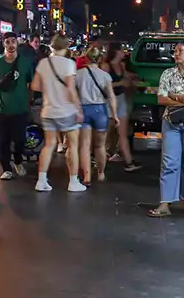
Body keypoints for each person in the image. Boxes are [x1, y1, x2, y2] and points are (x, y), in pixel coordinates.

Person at [148, 42, 184, 218]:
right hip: (171, 122)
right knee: (169, 162)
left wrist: (174, 96)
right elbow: (161, 100)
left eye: (180, 50)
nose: (176, 53)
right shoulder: (167, 74)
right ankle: (165, 202)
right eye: (175, 51)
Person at [32, 34, 85, 192]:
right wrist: (78, 108)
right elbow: (70, 89)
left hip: (48, 110)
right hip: (67, 110)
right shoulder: (69, 64)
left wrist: (49, 89)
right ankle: (73, 182)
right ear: (66, 46)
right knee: (73, 146)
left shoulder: (43, 63)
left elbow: (34, 86)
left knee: (49, 146)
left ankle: (41, 180)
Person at [0, 32, 34, 180]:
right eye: (7, 42)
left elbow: (31, 84)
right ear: (3, 44)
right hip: (2, 109)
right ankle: (6, 168)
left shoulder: (26, 63)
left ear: (17, 43)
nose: (10, 45)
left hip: (20, 108)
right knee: (2, 140)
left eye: (13, 42)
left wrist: (28, 102)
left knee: (20, 139)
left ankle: (17, 160)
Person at [75, 47, 118, 185]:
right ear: (100, 58)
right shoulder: (105, 75)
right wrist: (115, 115)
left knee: (85, 145)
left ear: (86, 58)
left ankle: (86, 176)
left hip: (83, 110)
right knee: (100, 146)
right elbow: (111, 96)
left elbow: (72, 94)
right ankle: (101, 173)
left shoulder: (78, 74)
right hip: (100, 110)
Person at [101, 43, 141, 172]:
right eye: (122, 50)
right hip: (108, 100)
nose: (124, 52)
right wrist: (121, 83)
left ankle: (129, 162)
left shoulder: (121, 66)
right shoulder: (106, 66)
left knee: (122, 133)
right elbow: (102, 85)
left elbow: (127, 76)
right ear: (116, 51)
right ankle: (99, 160)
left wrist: (133, 79)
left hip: (120, 99)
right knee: (104, 133)